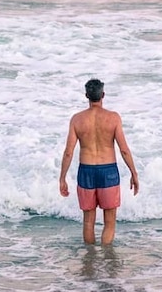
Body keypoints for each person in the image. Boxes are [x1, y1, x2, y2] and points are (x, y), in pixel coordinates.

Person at [59, 78, 139, 245]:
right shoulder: (113, 118)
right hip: (108, 172)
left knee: (88, 221)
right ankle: (106, 260)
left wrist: (62, 178)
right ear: (103, 94)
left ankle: (90, 263)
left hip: (86, 171)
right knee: (109, 222)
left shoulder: (77, 119)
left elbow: (68, 153)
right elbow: (124, 149)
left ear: (86, 95)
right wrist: (134, 173)